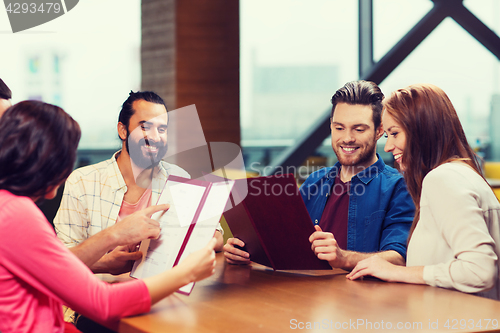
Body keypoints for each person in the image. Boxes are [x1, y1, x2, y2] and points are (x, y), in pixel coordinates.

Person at [0, 100, 217, 333]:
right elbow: (103, 303)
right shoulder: (17, 215)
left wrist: (113, 236)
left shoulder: (9, 207)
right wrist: (186, 273)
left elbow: (55, 266)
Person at [224, 81, 415, 270]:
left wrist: (344, 258)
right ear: (331, 127)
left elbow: (400, 258)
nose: (347, 138)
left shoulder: (399, 187)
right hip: (305, 294)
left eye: (358, 129)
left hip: (361, 298)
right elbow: (286, 246)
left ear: (379, 131)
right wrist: (247, 251)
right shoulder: (314, 182)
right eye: (339, 128)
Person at [347, 83, 500, 300]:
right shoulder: (462, 174)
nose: (389, 146)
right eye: (386, 136)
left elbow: (479, 271)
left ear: (421, 130)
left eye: (395, 133)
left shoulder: (442, 179)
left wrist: (396, 271)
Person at [54, 91, 224, 275]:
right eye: (145, 127)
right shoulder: (82, 181)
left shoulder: (178, 177)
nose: (156, 137)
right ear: (123, 130)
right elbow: (60, 258)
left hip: (162, 291)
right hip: (98, 294)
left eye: (162, 129)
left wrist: (221, 244)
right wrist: (105, 263)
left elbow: (216, 235)